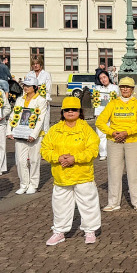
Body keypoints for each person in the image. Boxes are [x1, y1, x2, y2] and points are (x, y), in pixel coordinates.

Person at [41, 97, 102, 244]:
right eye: (67, 110)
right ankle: (59, 231)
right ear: (62, 112)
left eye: (74, 109)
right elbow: (45, 149)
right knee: (60, 205)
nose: (70, 112)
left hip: (82, 174)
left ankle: (90, 231)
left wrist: (75, 158)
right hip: (61, 175)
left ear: (79, 111)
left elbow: (93, 150)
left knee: (88, 203)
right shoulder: (54, 130)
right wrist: (58, 157)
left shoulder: (86, 129)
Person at [96, 78, 137, 212]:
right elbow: (100, 121)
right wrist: (112, 132)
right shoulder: (113, 103)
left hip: (134, 141)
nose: (125, 89)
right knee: (114, 172)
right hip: (115, 141)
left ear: (132, 89)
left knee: (134, 172)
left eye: (128, 87)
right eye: (122, 87)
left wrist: (127, 132)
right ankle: (113, 202)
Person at [6, 76, 48, 194]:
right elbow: (13, 115)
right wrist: (9, 130)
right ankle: (24, 183)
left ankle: (33, 184)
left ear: (35, 87)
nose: (25, 88)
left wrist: (34, 134)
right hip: (20, 134)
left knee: (34, 160)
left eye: (28, 86)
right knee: (20, 161)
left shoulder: (41, 100)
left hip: (34, 135)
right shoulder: (20, 99)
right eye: (24, 85)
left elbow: (40, 118)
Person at [92, 71, 119, 160]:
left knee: (112, 133)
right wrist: (96, 113)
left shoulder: (115, 88)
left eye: (104, 77)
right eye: (101, 78)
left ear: (108, 77)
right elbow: (97, 103)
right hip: (101, 115)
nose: (103, 80)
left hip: (112, 115)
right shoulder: (98, 89)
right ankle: (103, 153)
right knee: (101, 134)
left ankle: (112, 152)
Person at [27, 55, 52, 132]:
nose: (35, 65)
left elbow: (48, 88)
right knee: (32, 121)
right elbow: (26, 88)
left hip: (43, 101)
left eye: (37, 63)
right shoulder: (29, 74)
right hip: (32, 101)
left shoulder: (46, 74)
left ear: (41, 64)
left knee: (44, 123)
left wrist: (46, 100)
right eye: (33, 64)